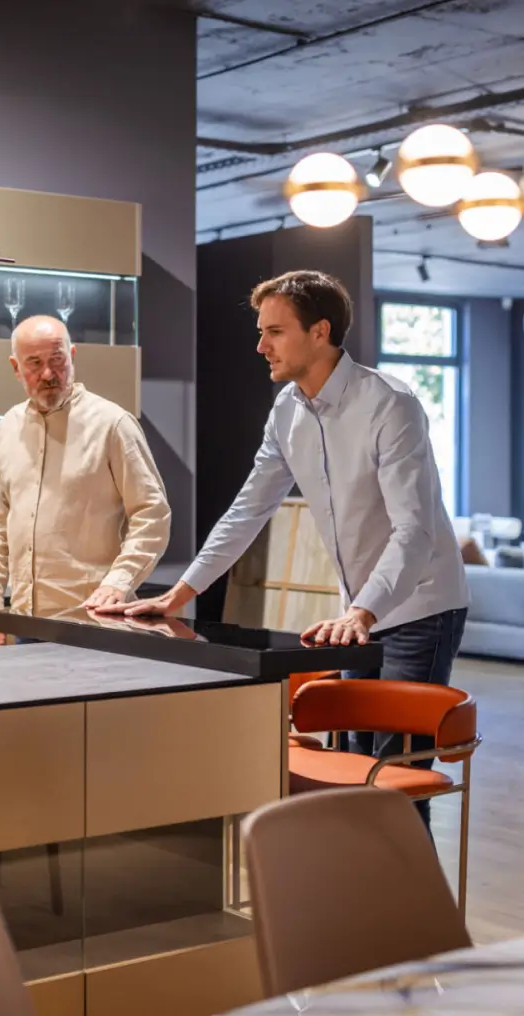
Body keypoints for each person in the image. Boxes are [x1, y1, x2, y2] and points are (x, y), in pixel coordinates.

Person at [99, 270, 469, 829]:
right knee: (353, 778)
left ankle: (407, 912)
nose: (260, 345)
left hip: (418, 606)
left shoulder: (391, 404)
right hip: (357, 615)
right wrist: (180, 593)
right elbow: (249, 509)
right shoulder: (286, 411)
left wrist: (362, 611)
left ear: (320, 332)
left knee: (392, 780)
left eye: (274, 331)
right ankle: (357, 905)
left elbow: (413, 530)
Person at [0, 315, 171, 645]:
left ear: (72, 355)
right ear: (15, 367)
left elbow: (152, 515)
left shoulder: (113, 425)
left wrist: (118, 582)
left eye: (57, 360)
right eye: (35, 363)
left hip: (94, 623)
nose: (49, 374)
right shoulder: (7, 428)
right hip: (26, 623)